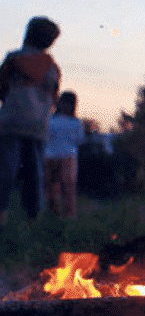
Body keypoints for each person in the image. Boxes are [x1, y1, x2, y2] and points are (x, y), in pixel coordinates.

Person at [0, 17, 61, 224]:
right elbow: (54, 98)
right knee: (34, 173)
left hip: (10, 122)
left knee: (5, 171)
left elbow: (2, 88)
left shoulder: (12, 60)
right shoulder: (52, 67)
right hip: (38, 126)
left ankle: (1, 213)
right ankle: (33, 217)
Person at [44, 91, 86, 220]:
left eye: (68, 104)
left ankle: (69, 215)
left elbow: (80, 140)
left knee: (68, 188)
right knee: (50, 188)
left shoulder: (76, 123)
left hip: (68, 157)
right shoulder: (50, 119)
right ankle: (52, 215)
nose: (65, 106)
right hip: (50, 157)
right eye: (64, 103)